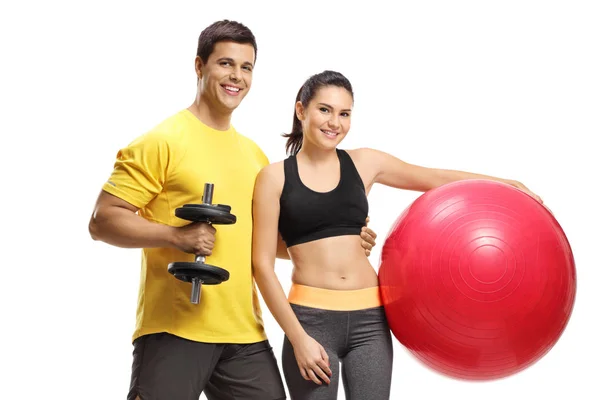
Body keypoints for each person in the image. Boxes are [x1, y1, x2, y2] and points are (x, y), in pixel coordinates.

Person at [88, 22, 377, 400]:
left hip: (244, 334)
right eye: (226, 63)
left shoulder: (255, 158)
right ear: (199, 66)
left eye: (246, 67)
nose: (236, 77)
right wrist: (176, 235)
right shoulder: (162, 141)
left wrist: (341, 242)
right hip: (176, 330)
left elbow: (261, 245)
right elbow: (103, 220)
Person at [251, 70, 544, 400]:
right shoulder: (273, 178)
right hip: (310, 322)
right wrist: (297, 336)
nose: (335, 122)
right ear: (301, 110)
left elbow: (431, 177)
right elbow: (262, 264)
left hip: (371, 322)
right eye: (325, 110)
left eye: (345, 114)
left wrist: (502, 184)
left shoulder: (365, 162)